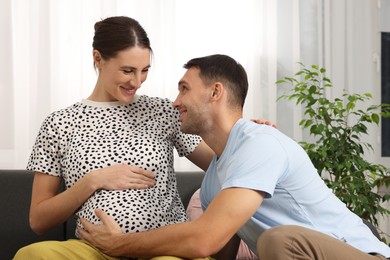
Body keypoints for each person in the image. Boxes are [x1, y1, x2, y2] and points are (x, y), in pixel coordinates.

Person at [79, 54, 390, 260]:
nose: (175, 102)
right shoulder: (215, 179)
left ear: (216, 93)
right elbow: (211, 249)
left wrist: (120, 244)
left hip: (360, 255)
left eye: (184, 89)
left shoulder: (261, 144)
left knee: (278, 241)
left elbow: (204, 238)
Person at [14, 16, 216, 260]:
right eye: (127, 71)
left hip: (164, 247)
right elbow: (38, 219)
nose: (137, 82)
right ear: (98, 58)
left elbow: (219, 163)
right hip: (94, 250)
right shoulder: (60, 123)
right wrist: (92, 181)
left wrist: (249, 136)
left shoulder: (164, 111)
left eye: (145, 71)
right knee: (32, 255)